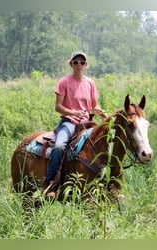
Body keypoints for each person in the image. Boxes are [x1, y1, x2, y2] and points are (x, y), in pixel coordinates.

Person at [43, 51, 107, 198]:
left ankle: (108, 184)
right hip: (69, 122)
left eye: (82, 62)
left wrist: (101, 112)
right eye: (76, 62)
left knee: (104, 145)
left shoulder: (90, 83)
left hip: (87, 123)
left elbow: (93, 105)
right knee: (59, 147)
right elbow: (58, 106)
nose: (79, 65)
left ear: (86, 65)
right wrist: (72, 113)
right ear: (71, 64)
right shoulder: (64, 82)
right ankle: (51, 183)